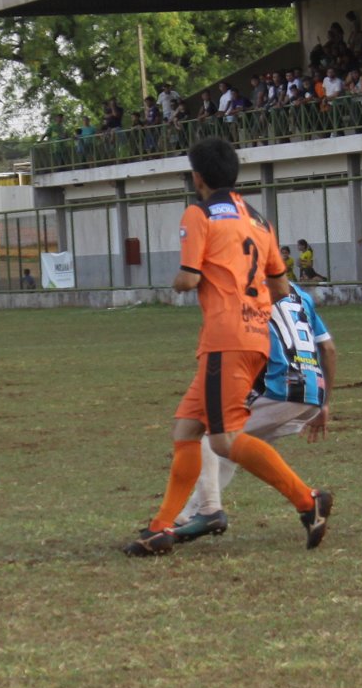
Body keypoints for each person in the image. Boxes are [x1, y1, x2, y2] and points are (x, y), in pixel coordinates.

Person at [123, 137, 331, 556]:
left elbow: (189, 277)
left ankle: (308, 501)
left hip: (226, 339)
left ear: (197, 177)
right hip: (251, 338)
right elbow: (281, 286)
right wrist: (252, 311)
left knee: (224, 439)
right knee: (186, 429)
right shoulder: (258, 220)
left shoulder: (198, 213)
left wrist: (182, 285)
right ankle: (162, 527)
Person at [172, 283, 336, 543]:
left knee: (209, 432)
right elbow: (328, 349)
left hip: (281, 386)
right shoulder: (300, 294)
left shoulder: (252, 288)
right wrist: (325, 403)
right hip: (312, 391)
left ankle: (208, 511)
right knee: (230, 451)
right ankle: (185, 518)